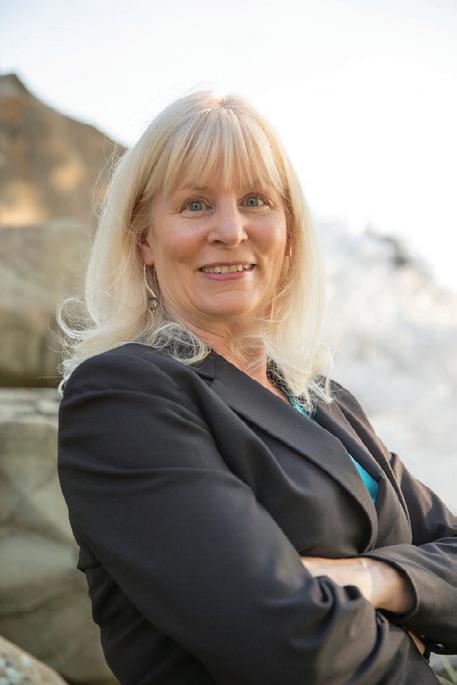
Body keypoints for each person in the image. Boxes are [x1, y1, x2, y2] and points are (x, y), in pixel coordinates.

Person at [56, 90, 456, 685]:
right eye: (195, 205)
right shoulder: (122, 397)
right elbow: (284, 639)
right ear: (144, 240)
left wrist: (377, 579)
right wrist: (416, 616)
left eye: (255, 201)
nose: (230, 230)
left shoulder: (324, 400)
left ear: (288, 231)